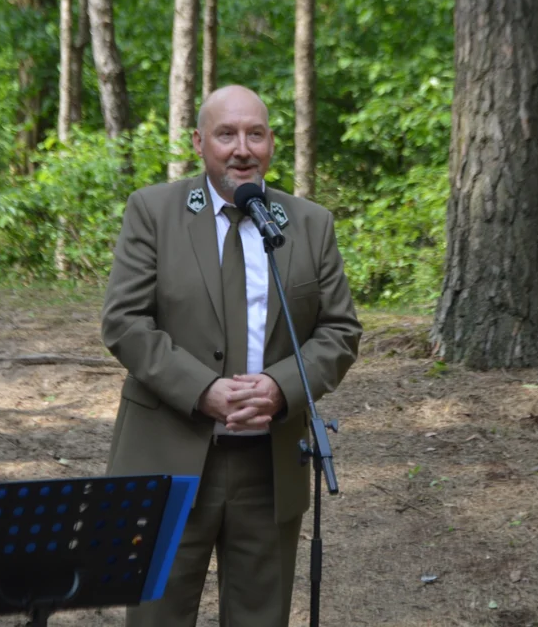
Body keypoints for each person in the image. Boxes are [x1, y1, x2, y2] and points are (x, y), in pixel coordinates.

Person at [101, 84, 362, 627]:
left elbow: (339, 330)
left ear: (271, 144)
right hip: (169, 460)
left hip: (269, 465)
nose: (242, 148)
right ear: (200, 142)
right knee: (156, 618)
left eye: (255, 134)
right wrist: (203, 390)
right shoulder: (153, 211)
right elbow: (124, 322)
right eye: (226, 134)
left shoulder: (309, 224)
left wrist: (281, 386)